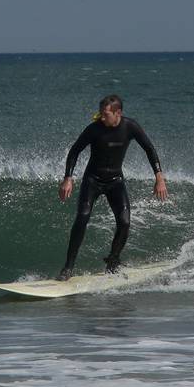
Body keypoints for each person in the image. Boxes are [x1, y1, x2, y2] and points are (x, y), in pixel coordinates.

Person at [57, 94, 167, 281]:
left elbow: (149, 148)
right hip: (92, 180)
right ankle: (68, 268)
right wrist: (68, 178)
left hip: (115, 181)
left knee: (124, 222)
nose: (101, 117)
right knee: (82, 218)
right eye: (100, 113)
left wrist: (159, 177)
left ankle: (113, 261)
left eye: (105, 114)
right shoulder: (94, 129)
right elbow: (75, 150)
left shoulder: (130, 126)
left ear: (118, 113)